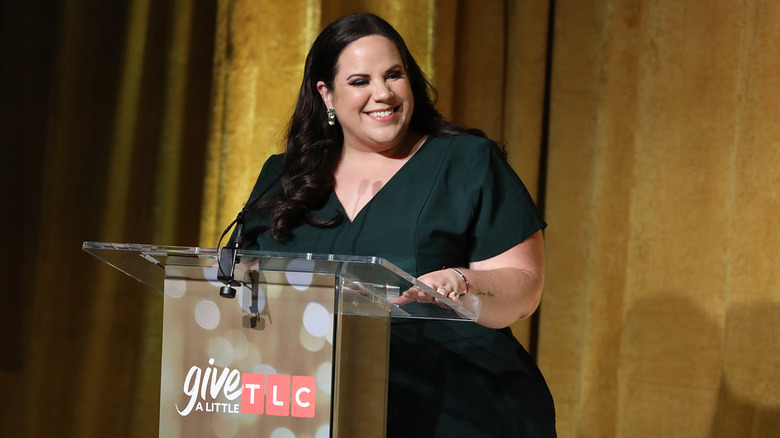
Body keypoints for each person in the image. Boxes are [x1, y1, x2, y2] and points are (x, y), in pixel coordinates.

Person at [238, 13, 556, 437]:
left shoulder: (466, 161)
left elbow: (525, 290)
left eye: (394, 75)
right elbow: (239, 282)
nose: (382, 93)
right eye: (359, 82)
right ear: (326, 94)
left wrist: (461, 283)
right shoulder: (285, 176)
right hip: (313, 405)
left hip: (459, 406)